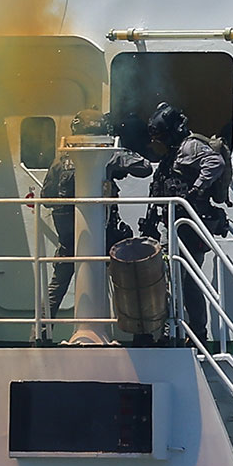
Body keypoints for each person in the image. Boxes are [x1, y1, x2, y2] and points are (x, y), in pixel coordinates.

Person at [42, 112, 153, 319]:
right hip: (103, 234)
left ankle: (38, 334)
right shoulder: (108, 155)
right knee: (129, 279)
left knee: (57, 286)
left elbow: (46, 197)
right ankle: (142, 333)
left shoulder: (62, 159)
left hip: (69, 238)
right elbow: (145, 168)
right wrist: (117, 153)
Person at [140, 102, 226, 343]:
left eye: (162, 136)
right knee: (173, 278)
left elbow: (215, 163)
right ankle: (175, 328)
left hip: (190, 226)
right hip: (176, 224)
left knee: (189, 282)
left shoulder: (190, 146)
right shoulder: (175, 151)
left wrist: (195, 191)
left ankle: (197, 332)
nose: (160, 142)